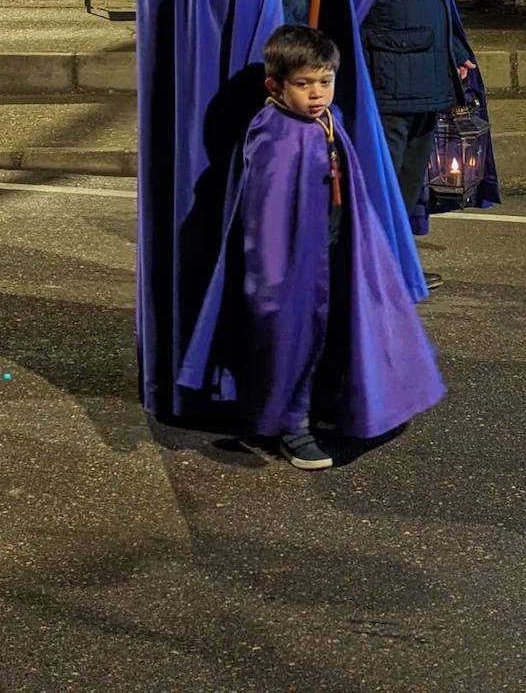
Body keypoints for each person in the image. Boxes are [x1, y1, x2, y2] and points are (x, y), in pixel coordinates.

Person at [135, 0, 423, 428]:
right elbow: (218, 7)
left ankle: (302, 389)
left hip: (291, 94)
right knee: (269, 262)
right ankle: (262, 394)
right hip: (250, 108)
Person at [176, 25, 446, 469]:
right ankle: (291, 426)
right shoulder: (274, 136)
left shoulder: (326, 118)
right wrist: (273, 281)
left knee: (348, 325)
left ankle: (336, 401)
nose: (317, 93)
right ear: (276, 86)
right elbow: (266, 218)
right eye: (303, 84)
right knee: (293, 338)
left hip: (333, 246)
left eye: (325, 81)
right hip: (292, 264)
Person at [327, 0, 499, 290]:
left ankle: (395, 268)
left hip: (422, 75)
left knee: (403, 185)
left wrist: (454, 50)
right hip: (386, 80)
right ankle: (369, 275)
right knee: (380, 186)